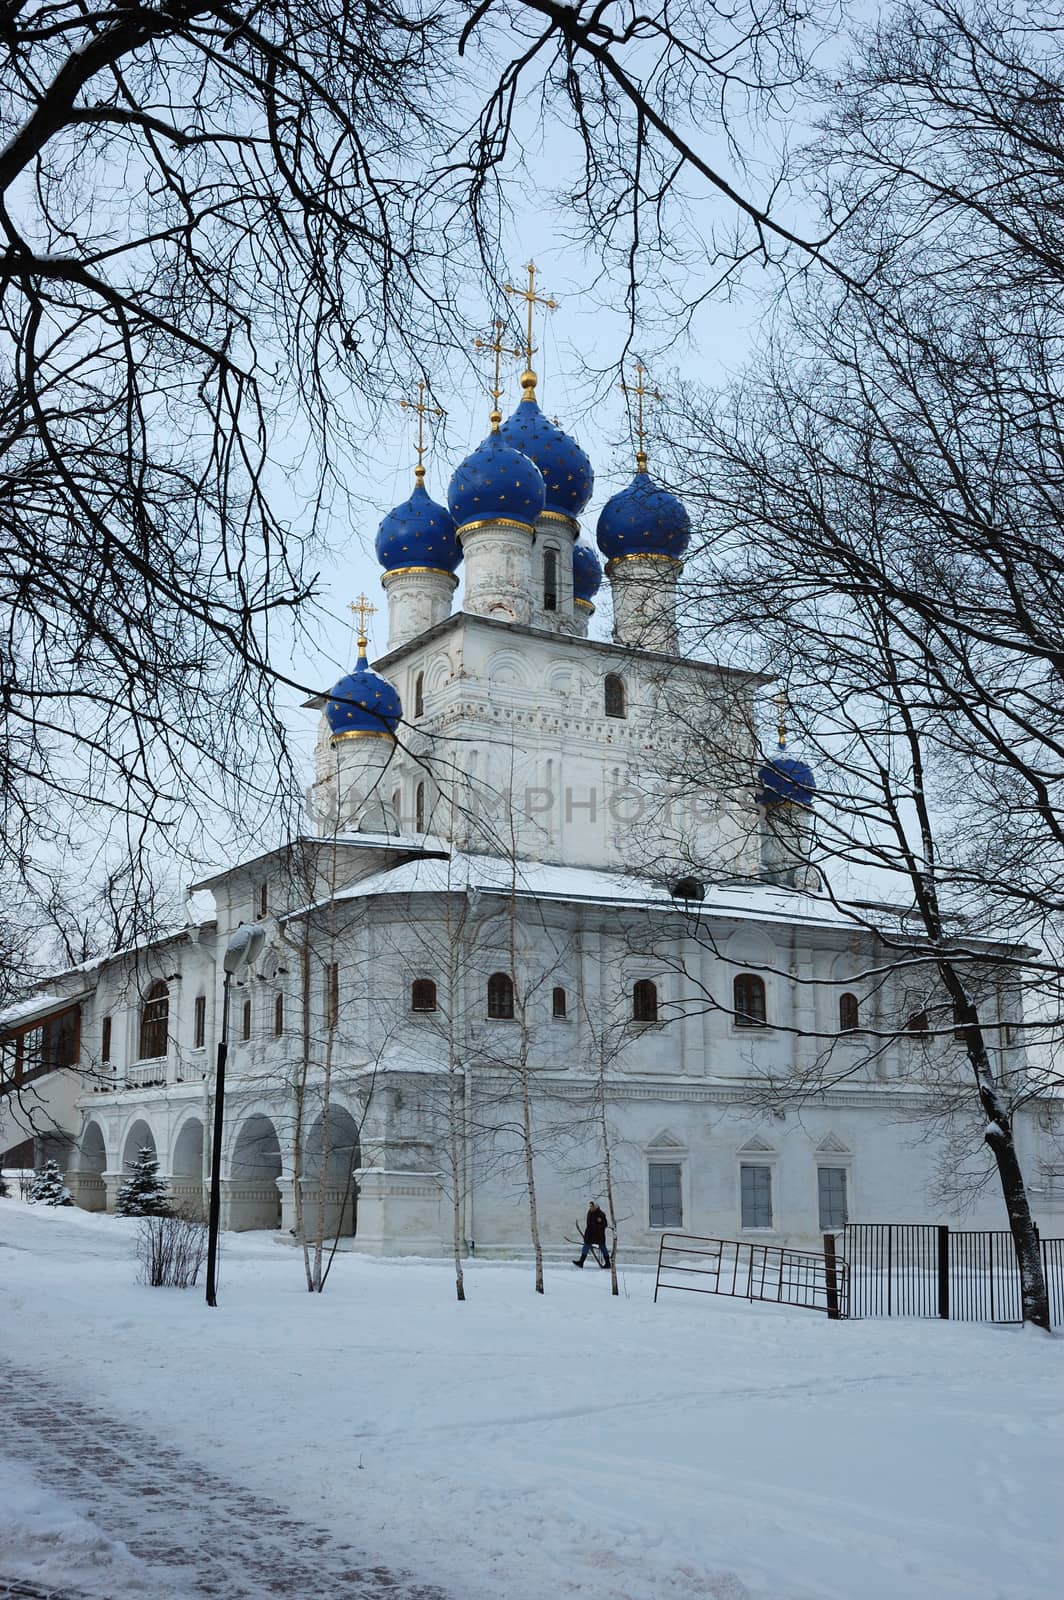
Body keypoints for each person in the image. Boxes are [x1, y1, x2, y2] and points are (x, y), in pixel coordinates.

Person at [573, 1201, 610, 1268]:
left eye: (592, 1206)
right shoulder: (589, 1212)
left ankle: (608, 1263)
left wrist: (600, 1221)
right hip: (590, 1234)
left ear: (595, 1206)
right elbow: (588, 1223)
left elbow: (605, 1225)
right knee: (586, 1246)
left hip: (599, 1234)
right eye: (590, 1206)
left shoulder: (601, 1214)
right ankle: (581, 1262)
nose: (590, 1207)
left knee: (603, 1247)